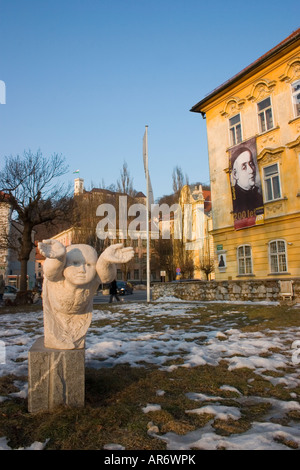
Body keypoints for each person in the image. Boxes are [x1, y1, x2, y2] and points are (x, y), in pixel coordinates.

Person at [38, 240, 134, 349]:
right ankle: (56, 339)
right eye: (75, 263)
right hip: (56, 318)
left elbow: (105, 277)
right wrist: (58, 258)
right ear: (64, 265)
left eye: (88, 264)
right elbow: (50, 272)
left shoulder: (91, 280)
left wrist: (105, 261)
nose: (82, 270)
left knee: (74, 338)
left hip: (79, 318)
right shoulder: (58, 277)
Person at [230, 147, 264, 214]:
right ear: (235, 174)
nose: (251, 170)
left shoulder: (257, 195)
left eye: (251, 164)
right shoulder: (236, 201)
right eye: (244, 167)